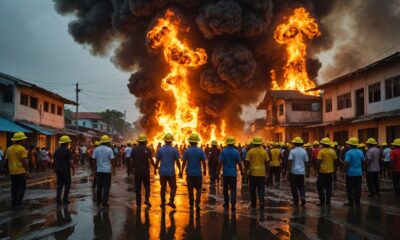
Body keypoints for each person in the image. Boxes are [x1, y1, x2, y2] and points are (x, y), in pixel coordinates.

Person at [155, 133, 182, 209]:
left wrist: (155, 169)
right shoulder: (174, 150)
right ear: (171, 141)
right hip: (171, 172)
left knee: (163, 188)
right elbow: (177, 161)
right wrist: (180, 171)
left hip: (162, 172)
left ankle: (163, 203)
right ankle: (171, 201)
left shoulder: (160, 149)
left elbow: (157, 161)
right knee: (173, 187)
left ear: (164, 141)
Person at [217, 136, 244, 211]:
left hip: (225, 174)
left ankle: (226, 203)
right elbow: (239, 163)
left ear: (227, 143)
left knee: (225, 189)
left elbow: (220, 163)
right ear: (233, 143)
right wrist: (242, 172)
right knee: (233, 189)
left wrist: (218, 172)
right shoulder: (236, 152)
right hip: (233, 174)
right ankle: (233, 205)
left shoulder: (223, 151)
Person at [4, 132, 29, 209]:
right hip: (20, 171)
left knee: (14, 187)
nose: (25, 141)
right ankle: (18, 204)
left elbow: (6, 160)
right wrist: (27, 170)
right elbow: (24, 161)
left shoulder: (9, 148)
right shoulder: (22, 149)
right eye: (24, 139)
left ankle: (14, 202)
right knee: (21, 187)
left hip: (12, 172)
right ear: (21, 140)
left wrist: (7, 170)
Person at [182, 134, 207, 211]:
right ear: (197, 142)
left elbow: (184, 162)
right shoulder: (200, 151)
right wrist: (205, 170)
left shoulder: (187, 151)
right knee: (199, 189)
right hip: (198, 173)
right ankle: (197, 203)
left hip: (189, 174)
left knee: (190, 189)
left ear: (189, 142)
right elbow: (204, 162)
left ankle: (191, 203)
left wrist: (181, 171)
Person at [246, 136, 269, 209]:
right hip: (261, 174)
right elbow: (267, 162)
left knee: (252, 190)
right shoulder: (264, 151)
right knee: (261, 189)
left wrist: (246, 172)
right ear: (260, 143)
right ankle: (261, 202)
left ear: (253, 143)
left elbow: (247, 162)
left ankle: (253, 203)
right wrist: (267, 173)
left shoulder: (250, 152)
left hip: (252, 174)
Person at [131, 134, 154, 208]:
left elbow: (131, 160)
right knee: (147, 186)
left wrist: (131, 169)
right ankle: (147, 199)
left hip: (137, 171)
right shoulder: (148, 149)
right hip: (145, 171)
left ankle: (138, 203)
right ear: (145, 141)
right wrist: (155, 167)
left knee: (138, 187)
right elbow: (151, 159)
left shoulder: (134, 149)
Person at [92, 135, 115, 207]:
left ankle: (99, 201)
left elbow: (93, 161)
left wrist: (94, 170)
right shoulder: (109, 149)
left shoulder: (96, 149)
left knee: (99, 186)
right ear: (107, 142)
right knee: (106, 187)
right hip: (107, 171)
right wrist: (114, 169)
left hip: (99, 171)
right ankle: (104, 202)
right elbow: (112, 160)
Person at [54, 135, 75, 205]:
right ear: (66, 143)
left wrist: (55, 168)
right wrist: (73, 168)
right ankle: (65, 199)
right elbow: (70, 161)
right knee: (67, 184)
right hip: (65, 170)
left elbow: (54, 160)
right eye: (68, 142)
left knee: (60, 184)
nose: (69, 143)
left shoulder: (56, 150)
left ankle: (58, 199)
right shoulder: (67, 151)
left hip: (58, 169)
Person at [343, 137, 365, 206]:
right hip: (359, 173)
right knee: (358, 188)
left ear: (350, 145)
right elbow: (363, 161)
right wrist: (363, 171)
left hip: (350, 173)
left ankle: (351, 202)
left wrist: (344, 171)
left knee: (349, 188)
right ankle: (357, 201)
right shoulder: (360, 152)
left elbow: (346, 162)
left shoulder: (348, 153)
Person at [288, 137, 309, 206]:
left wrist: (288, 171)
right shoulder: (304, 151)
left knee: (294, 187)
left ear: (294, 143)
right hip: (301, 172)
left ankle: (296, 200)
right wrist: (307, 171)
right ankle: (302, 196)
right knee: (301, 186)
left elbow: (290, 161)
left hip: (293, 172)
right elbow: (306, 162)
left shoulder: (292, 151)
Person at [316, 138, 337, 207]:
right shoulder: (333, 151)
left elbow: (318, 162)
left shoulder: (321, 151)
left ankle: (322, 201)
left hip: (322, 172)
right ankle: (328, 202)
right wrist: (334, 170)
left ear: (323, 144)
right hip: (330, 171)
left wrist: (317, 169)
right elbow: (335, 161)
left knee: (320, 187)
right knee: (329, 187)